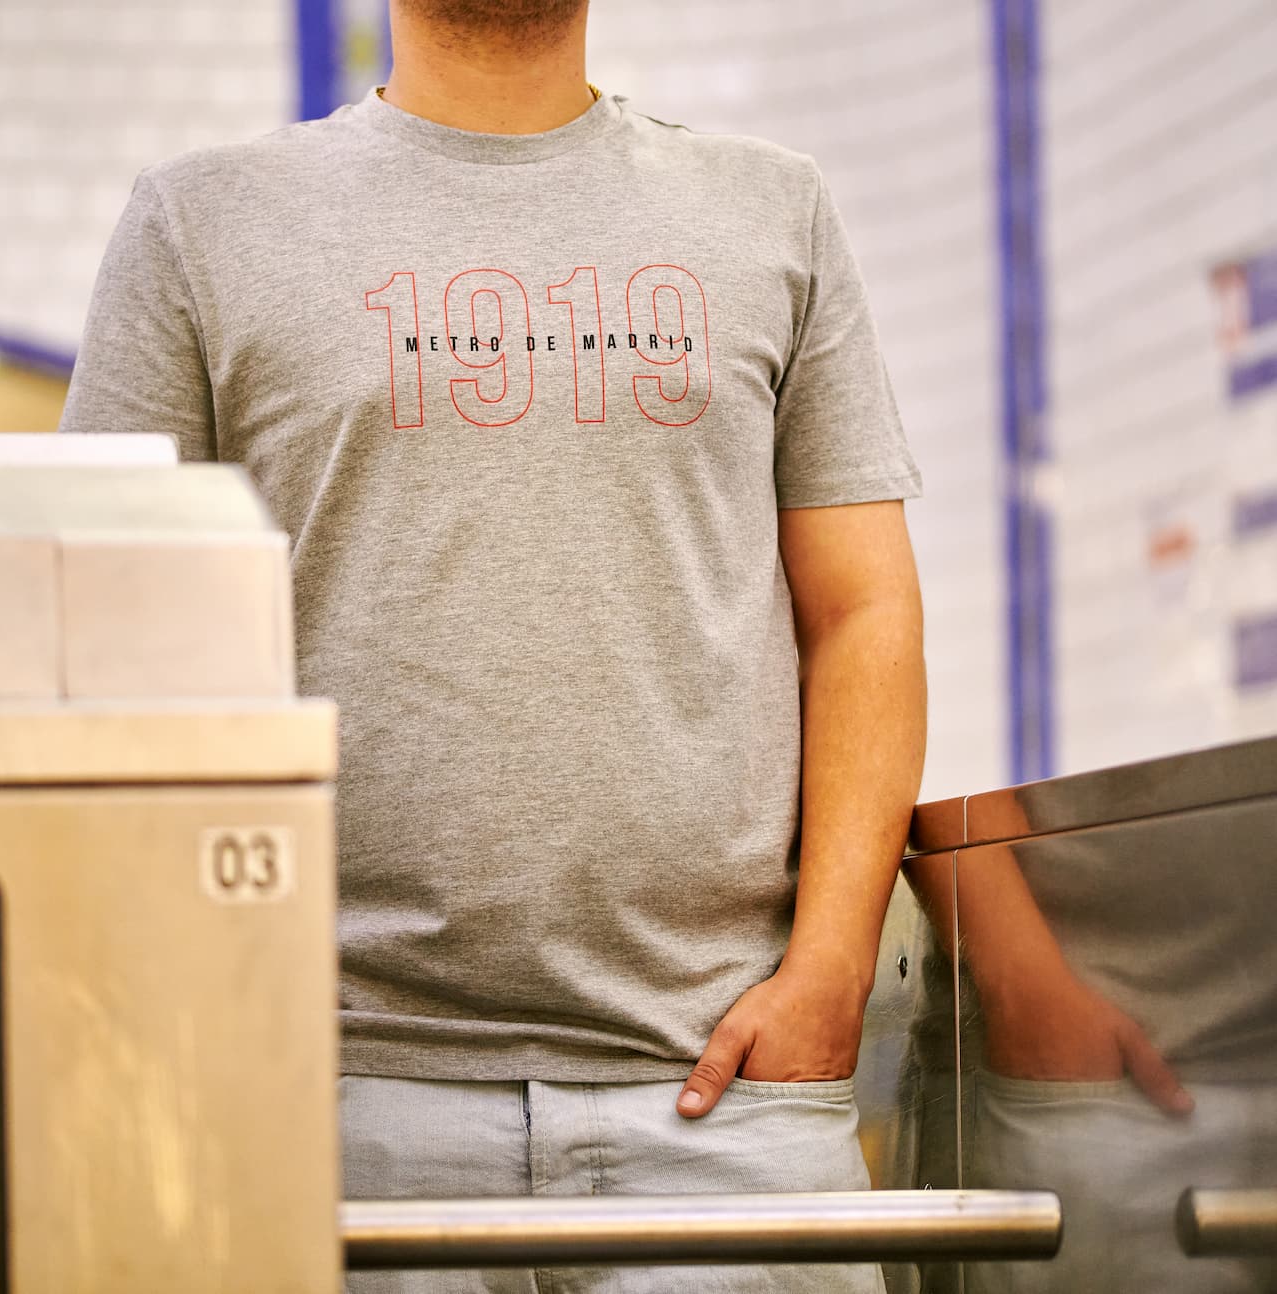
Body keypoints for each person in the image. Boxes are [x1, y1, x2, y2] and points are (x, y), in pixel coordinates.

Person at [59, 1, 927, 1289]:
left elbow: (862, 611)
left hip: (722, 1092)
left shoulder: (773, 211)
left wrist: (831, 967)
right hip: (334, 1097)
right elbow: (97, 641)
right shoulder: (202, 224)